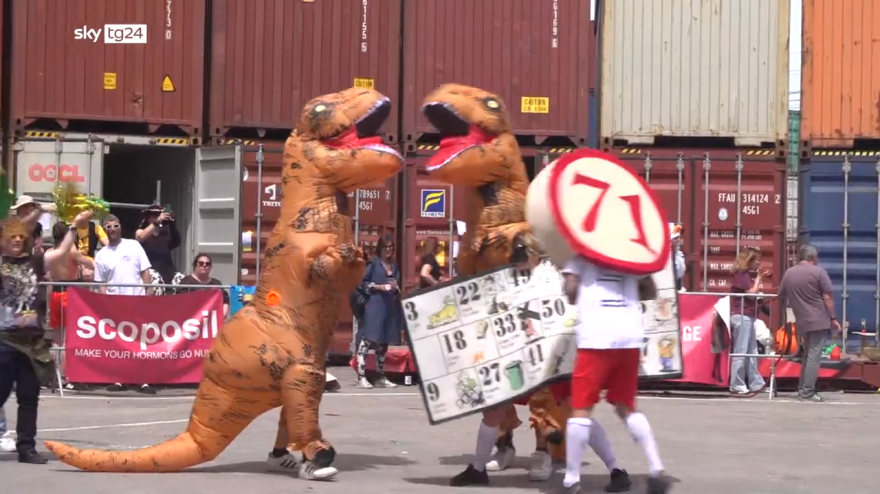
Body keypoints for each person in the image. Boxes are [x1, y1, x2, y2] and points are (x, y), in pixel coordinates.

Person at [559, 255, 668, 494]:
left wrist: (567, 277)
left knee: (581, 408)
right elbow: (649, 290)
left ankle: (571, 480)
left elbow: (571, 291)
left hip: (596, 338)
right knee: (626, 405)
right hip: (628, 338)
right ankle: (656, 468)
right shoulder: (626, 252)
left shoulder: (580, 255)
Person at [0, 216, 53, 464]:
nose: (18, 240)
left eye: (22, 237)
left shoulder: (35, 261)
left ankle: (26, 447)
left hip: (32, 341)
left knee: (29, 396)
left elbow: (62, 251)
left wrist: (74, 226)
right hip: (4, 338)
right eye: (12, 236)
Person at [94, 215, 156, 395]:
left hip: (137, 301)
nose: (112, 229)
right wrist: (105, 303)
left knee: (140, 343)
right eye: (108, 227)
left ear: (120, 227)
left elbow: (145, 272)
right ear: (105, 230)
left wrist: (148, 293)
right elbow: (102, 283)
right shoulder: (101, 255)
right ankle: (118, 379)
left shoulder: (133, 245)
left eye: (115, 225)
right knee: (118, 345)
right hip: (115, 305)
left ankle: (143, 381)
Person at [777, 244, 840, 402]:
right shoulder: (819, 272)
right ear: (813, 257)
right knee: (814, 356)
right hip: (818, 319)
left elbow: (781, 295)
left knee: (806, 356)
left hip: (801, 321)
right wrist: (833, 318)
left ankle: (802, 388)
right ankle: (808, 392)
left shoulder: (789, 273)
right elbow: (827, 297)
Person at [355, 235, 402, 389]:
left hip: (389, 307)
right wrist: (378, 287)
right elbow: (362, 284)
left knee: (383, 343)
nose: (388, 250)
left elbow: (397, 287)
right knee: (367, 341)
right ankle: (361, 377)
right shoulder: (373, 265)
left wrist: (395, 287)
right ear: (380, 248)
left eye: (391, 248)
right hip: (374, 306)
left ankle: (380, 376)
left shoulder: (394, 266)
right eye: (386, 247)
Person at [729, 247, 768, 395]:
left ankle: (755, 383)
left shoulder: (744, 275)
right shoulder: (741, 275)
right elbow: (751, 294)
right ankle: (737, 384)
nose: (758, 263)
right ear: (749, 260)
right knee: (741, 350)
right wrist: (759, 278)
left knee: (751, 350)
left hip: (747, 315)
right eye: (757, 260)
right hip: (742, 315)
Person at [45, 218, 95, 332]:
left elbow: (49, 281)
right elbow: (91, 264)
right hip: (70, 293)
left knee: (57, 331)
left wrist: (48, 307)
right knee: (72, 330)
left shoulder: (49, 253)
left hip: (55, 293)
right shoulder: (72, 252)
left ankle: (59, 348)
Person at [135, 204, 183, 295]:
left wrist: (172, 223)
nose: (157, 217)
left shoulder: (166, 232)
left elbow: (177, 242)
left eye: (158, 215)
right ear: (148, 218)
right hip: (151, 276)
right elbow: (140, 237)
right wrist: (157, 221)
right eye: (153, 215)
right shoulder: (141, 231)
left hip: (168, 274)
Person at [177, 253, 230, 318]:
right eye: (201, 263)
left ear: (210, 267)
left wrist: (221, 316)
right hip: (191, 321)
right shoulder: (186, 282)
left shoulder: (216, 283)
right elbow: (179, 303)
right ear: (195, 265)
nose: (204, 265)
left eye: (207, 264)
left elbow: (225, 301)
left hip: (211, 321)